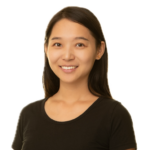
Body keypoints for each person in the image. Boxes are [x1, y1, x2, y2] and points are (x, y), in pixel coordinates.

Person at [10, 5, 138, 150]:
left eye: (79, 44)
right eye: (58, 44)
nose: (67, 56)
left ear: (99, 50)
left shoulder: (115, 115)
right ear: (46, 49)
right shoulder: (28, 114)